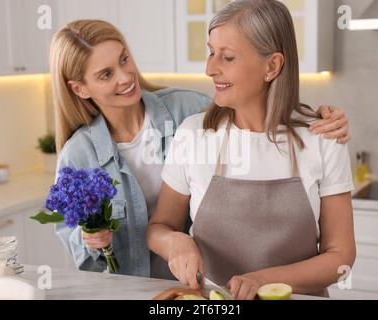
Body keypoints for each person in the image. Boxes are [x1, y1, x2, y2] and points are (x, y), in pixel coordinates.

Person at [51, 19, 351, 279]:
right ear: (80, 88)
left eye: (124, 59)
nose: (125, 76)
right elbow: (81, 252)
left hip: (198, 283)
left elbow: (254, 104)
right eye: (106, 74)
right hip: (136, 284)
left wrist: (316, 117)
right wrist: (90, 237)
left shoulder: (187, 109)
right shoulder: (78, 156)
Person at [147, 0, 356, 298]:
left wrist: (262, 280)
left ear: (272, 66)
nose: (209, 68)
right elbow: (159, 227)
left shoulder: (322, 137)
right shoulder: (193, 134)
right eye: (211, 52)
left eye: (228, 57)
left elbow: (341, 256)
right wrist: (174, 243)